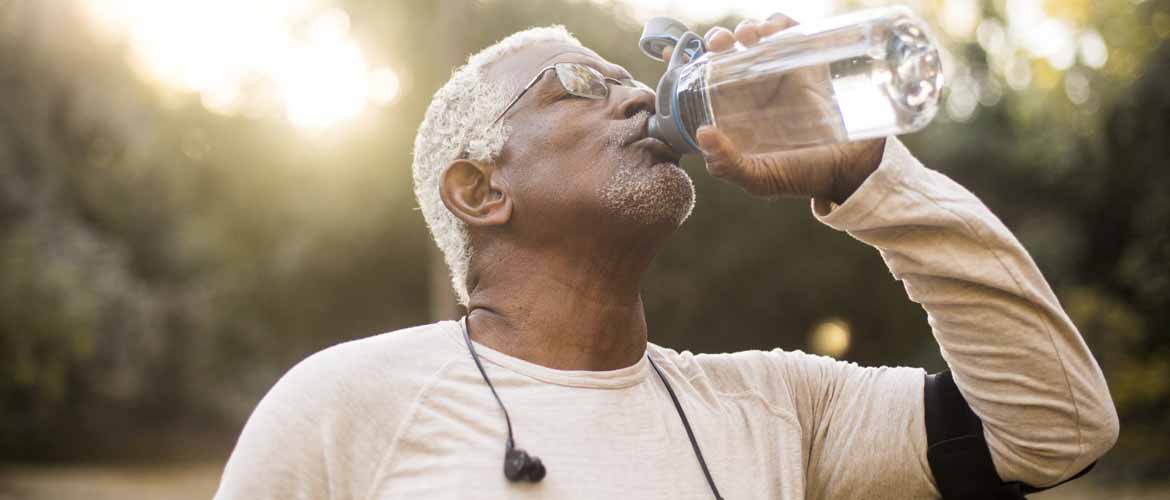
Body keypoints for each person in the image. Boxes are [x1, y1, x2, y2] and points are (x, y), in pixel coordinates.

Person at [214, 13, 1118, 500]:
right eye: (578, 83)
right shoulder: (344, 406)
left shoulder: (778, 408)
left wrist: (871, 176)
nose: (638, 98)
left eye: (630, 77)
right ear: (480, 191)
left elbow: (1058, 429)